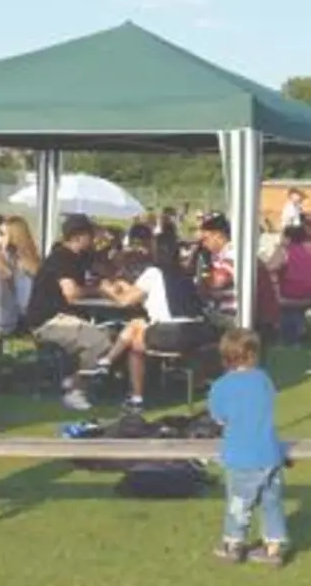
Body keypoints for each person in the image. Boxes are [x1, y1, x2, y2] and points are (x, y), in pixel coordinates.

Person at [98, 227, 216, 409]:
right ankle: (107, 361)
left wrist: (106, 288)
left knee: (135, 343)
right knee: (138, 325)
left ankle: (136, 397)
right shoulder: (184, 273)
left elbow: (124, 302)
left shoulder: (153, 273)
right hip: (197, 331)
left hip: (170, 333)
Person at [208, 328, 287, 567]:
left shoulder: (221, 386)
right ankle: (274, 548)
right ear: (254, 354)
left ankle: (234, 544)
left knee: (239, 503)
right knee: (271, 502)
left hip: (241, 456)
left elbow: (219, 418)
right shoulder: (264, 379)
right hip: (270, 454)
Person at [25, 214, 114, 412]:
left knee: (111, 334)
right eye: (90, 235)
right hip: (47, 321)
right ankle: (75, 389)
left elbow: (104, 268)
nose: (93, 239)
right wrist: (98, 290)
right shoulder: (62, 257)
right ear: (78, 237)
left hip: (64, 317)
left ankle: (76, 380)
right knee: (99, 341)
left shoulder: (80, 256)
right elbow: (71, 294)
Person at [0, 216, 41, 321]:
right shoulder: (13, 258)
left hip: (22, 315)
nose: (0, 238)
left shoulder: (23, 263)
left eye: (2, 234)